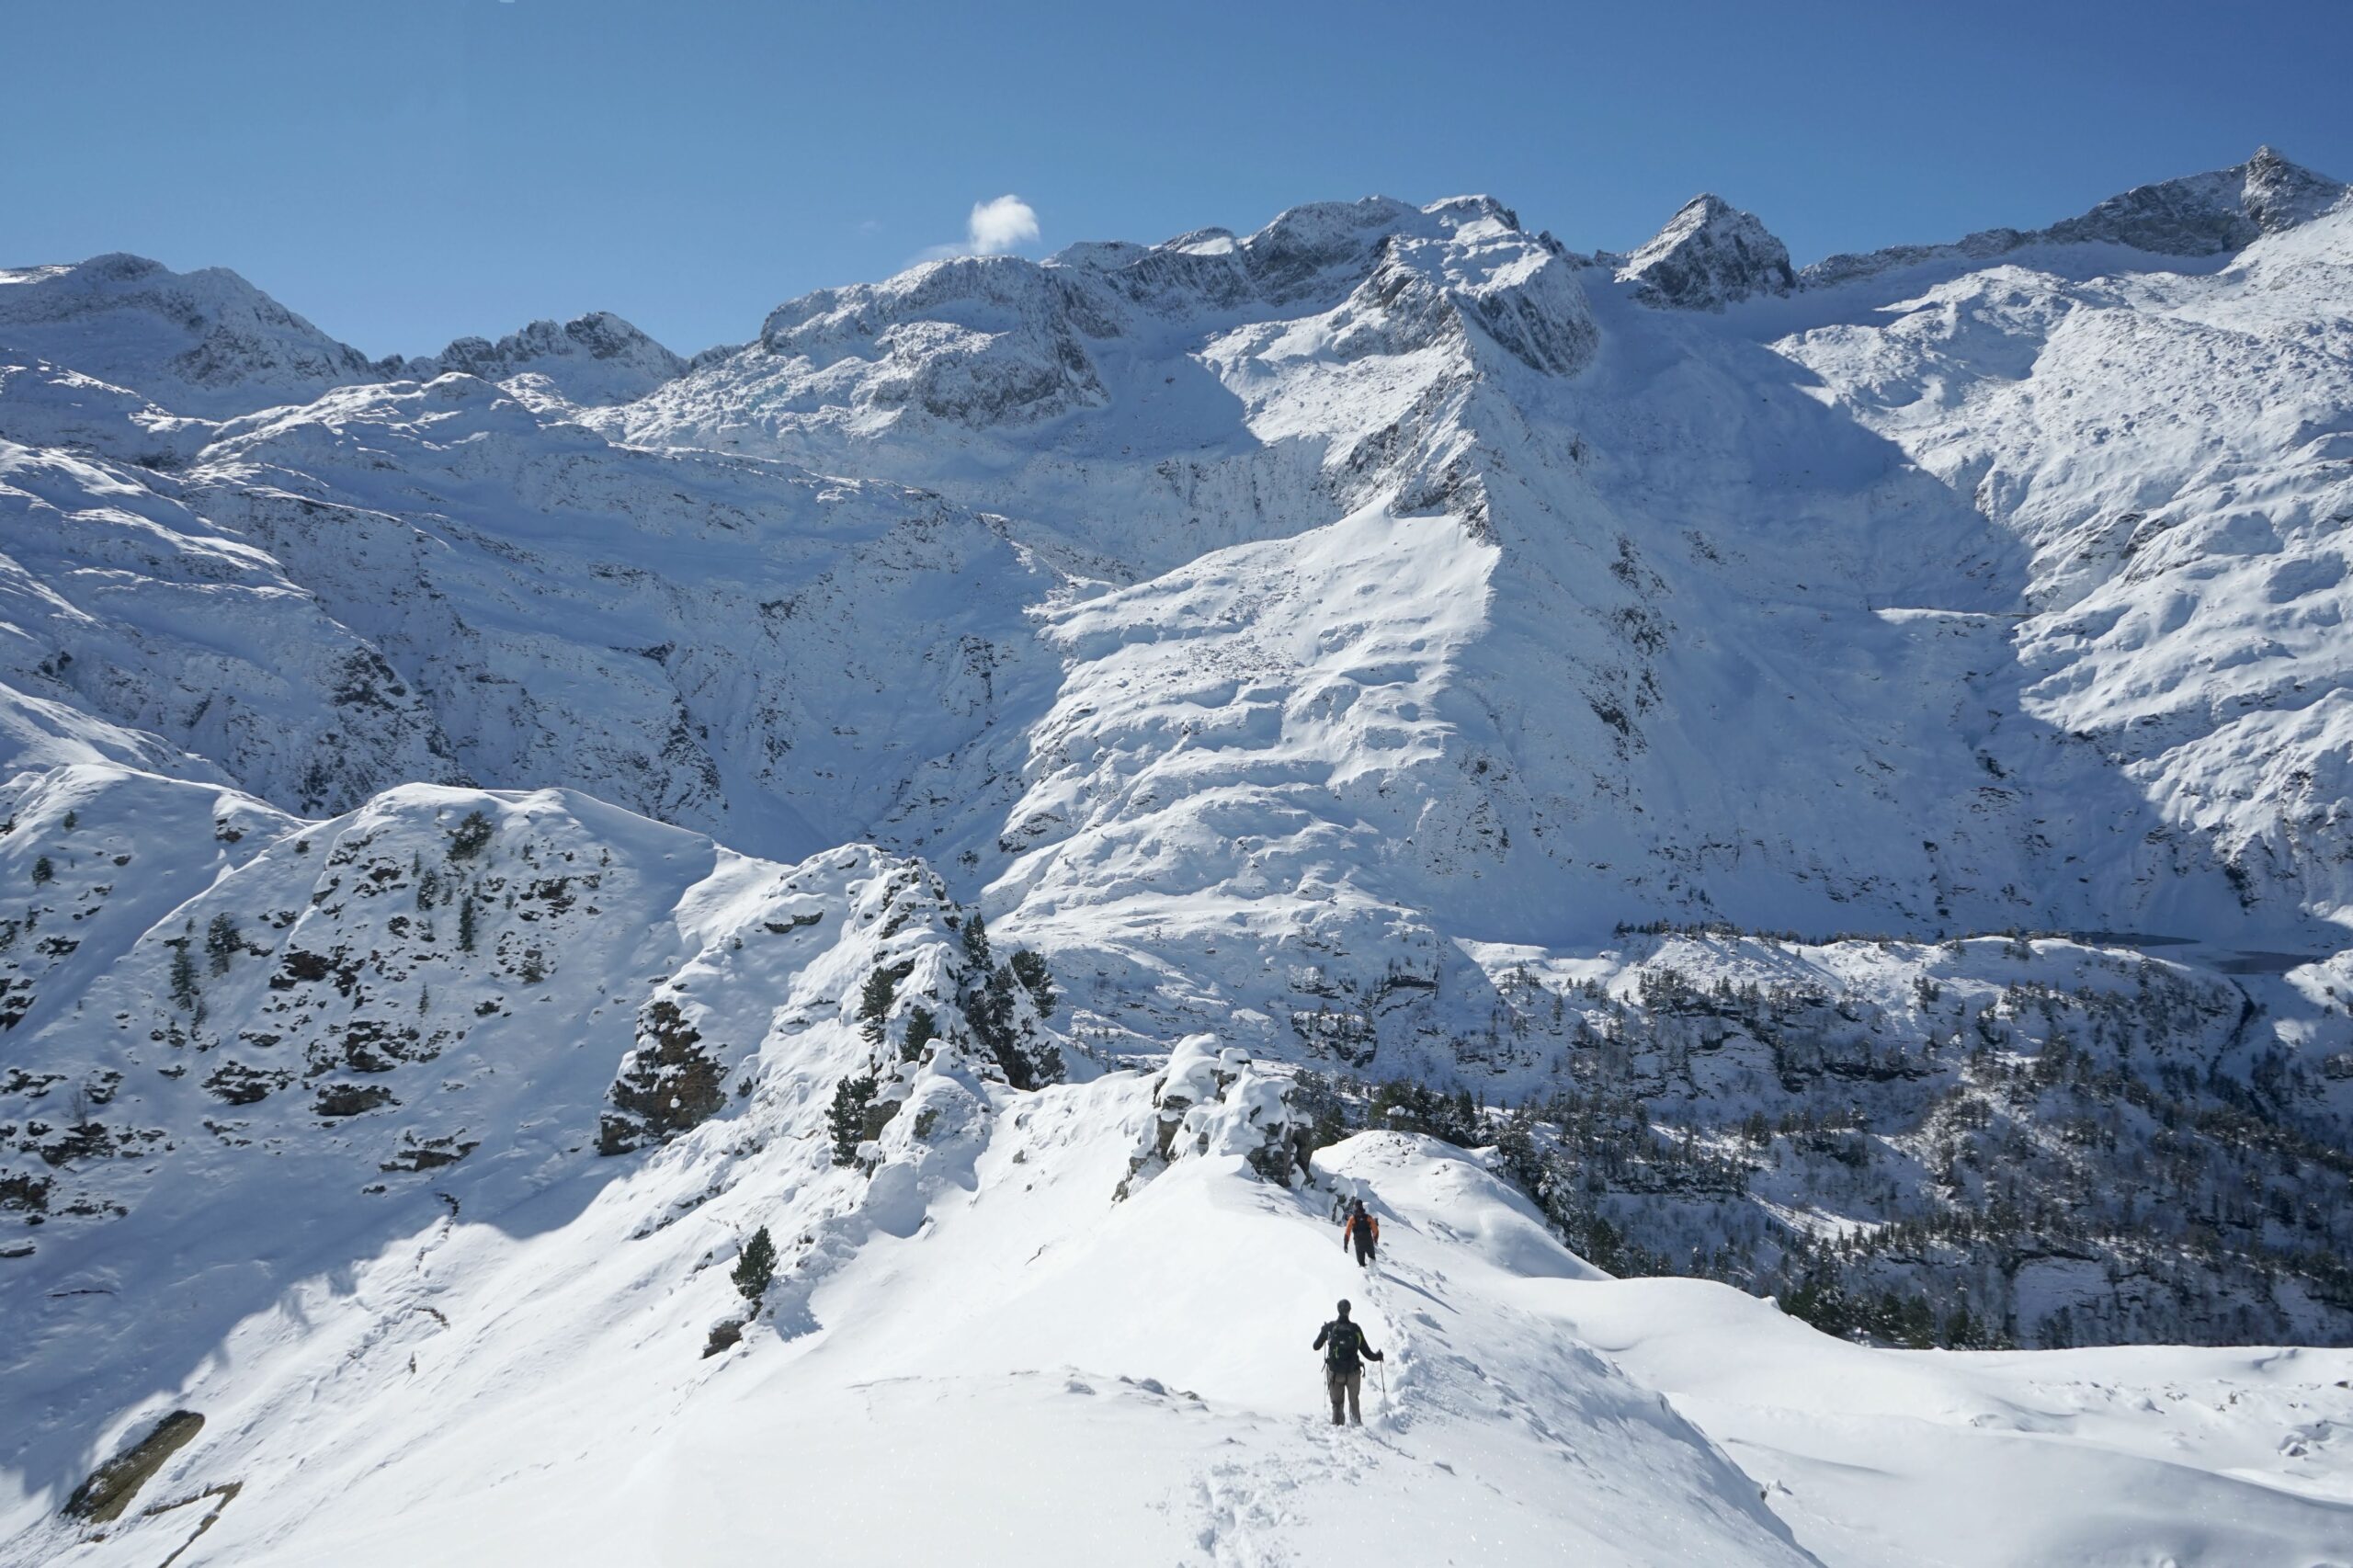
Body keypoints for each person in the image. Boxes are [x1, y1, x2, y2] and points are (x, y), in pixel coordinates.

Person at [1312, 1298, 1384, 1426]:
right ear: (1349, 1311)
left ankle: (1338, 1429)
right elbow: (1367, 1353)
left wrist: (1323, 1332)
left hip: (1335, 1373)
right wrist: (1378, 1356)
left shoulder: (1330, 1327)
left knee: (1337, 1404)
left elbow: (1316, 1346)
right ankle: (1357, 1428)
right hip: (1353, 1373)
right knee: (1354, 1401)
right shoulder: (1355, 1329)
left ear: (1338, 1310)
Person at [1341, 1198, 1379, 1268]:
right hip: (1369, 1242)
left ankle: (1365, 1276)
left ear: (1354, 1206)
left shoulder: (1352, 1219)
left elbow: (1347, 1232)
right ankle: (1375, 1273)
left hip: (1359, 1244)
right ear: (1362, 1206)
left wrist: (1346, 1244)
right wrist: (1375, 1240)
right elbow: (1375, 1229)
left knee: (1361, 1265)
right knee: (1372, 1259)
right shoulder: (1368, 1217)